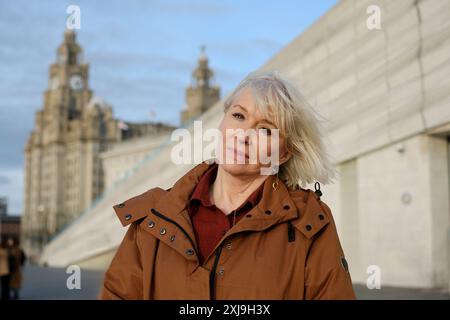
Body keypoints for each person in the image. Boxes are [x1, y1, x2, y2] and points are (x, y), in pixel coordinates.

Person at [100, 71, 356, 300]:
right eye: (238, 116)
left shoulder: (309, 224)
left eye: (265, 130)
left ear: (283, 153)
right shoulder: (154, 217)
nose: (242, 135)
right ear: (222, 123)